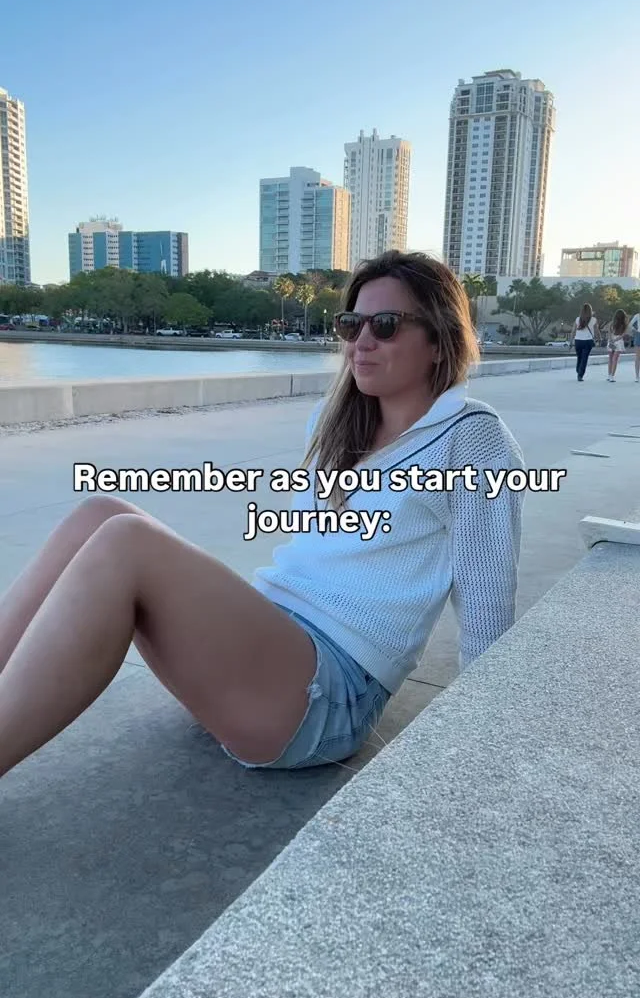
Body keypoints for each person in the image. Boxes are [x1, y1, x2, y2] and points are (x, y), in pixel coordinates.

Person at [0, 251, 525, 781]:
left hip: (329, 693)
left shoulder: (471, 437)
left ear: (438, 341)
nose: (362, 341)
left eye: (385, 325)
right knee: (99, 511)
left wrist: (485, 746)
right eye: (351, 324)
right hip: (269, 650)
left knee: (125, 540)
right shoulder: (337, 421)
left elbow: (486, 601)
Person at [569, 302, 600, 381]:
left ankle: (578, 370)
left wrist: (571, 341)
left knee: (579, 357)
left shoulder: (577, 319)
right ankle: (580, 374)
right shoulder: (593, 320)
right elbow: (597, 331)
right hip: (588, 341)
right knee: (584, 358)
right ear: (590, 310)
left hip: (578, 341)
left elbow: (573, 331)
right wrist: (599, 338)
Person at [606, 308, 628, 382]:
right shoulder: (624, 324)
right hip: (618, 342)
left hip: (611, 341)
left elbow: (609, 333)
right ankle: (612, 376)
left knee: (610, 358)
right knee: (615, 359)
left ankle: (609, 375)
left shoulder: (612, 323)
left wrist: (611, 340)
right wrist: (616, 340)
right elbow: (623, 335)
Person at [627, 309, 640, 383]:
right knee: (638, 357)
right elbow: (630, 325)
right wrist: (635, 331)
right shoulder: (637, 315)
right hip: (639, 335)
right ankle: (637, 376)